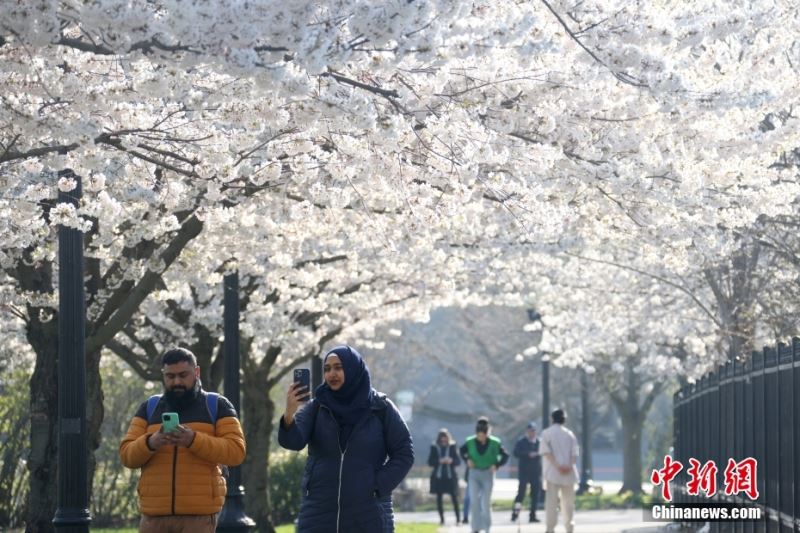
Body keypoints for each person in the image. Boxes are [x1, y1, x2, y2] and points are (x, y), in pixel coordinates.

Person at [278, 345, 414, 533]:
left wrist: (376, 486)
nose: (331, 373)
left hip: (368, 515)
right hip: (319, 513)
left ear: (353, 368)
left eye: (338, 367)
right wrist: (289, 414)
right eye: (327, 369)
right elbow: (293, 441)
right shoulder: (317, 406)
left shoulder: (380, 408)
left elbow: (404, 453)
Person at [119, 347, 246, 533]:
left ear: (197, 372)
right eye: (170, 376)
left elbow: (236, 452)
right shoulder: (149, 407)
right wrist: (151, 442)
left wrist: (193, 439)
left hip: (199, 516)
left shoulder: (217, 405)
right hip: (153, 517)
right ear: (163, 376)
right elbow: (126, 455)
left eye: (183, 375)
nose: (176, 381)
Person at [459, 416, 509, 533]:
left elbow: (505, 455)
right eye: (479, 435)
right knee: (474, 501)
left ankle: (487, 528)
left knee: (485, 502)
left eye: (483, 435)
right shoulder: (470, 441)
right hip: (474, 474)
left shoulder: (495, 442)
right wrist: (467, 460)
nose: (481, 437)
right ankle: (475, 528)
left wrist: (496, 465)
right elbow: (461, 451)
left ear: (487, 433)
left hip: (488, 474)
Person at [539, 409, 579, 533]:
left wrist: (558, 466)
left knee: (551, 503)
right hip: (569, 473)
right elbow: (574, 453)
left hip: (552, 473)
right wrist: (568, 465)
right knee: (568, 504)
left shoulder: (546, 433)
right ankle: (569, 527)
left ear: (552, 419)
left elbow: (546, 452)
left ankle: (550, 528)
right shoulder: (570, 434)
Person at [427, 428, 461, 525]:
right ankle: (442, 520)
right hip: (438, 477)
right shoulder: (434, 447)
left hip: (450, 477)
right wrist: (439, 461)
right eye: (442, 438)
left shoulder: (453, 446)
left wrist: (451, 461)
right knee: (439, 499)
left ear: (448, 438)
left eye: (445, 438)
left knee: (454, 498)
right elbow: (430, 462)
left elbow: (458, 461)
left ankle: (458, 520)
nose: (443, 440)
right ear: (439, 438)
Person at [512, 421, 542, 523]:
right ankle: (515, 513)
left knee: (535, 494)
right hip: (524, 471)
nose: (532, 433)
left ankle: (532, 515)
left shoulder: (539, 442)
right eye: (530, 431)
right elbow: (516, 453)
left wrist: (537, 454)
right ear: (527, 431)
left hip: (535, 472)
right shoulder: (521, 442)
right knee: (521, 494)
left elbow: (544, 453)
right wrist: (528, 454)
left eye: (533, 431)